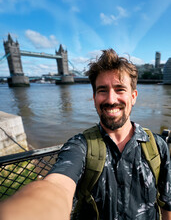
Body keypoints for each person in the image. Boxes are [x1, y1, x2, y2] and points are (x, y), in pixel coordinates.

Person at [0, 49, 171, 220]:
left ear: (133, 96)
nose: (111, 99)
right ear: (94, 97)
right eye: (102, 90)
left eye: (120, 89)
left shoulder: (156, 146)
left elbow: (166, 201)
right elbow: (57, 187)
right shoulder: (79, 146)